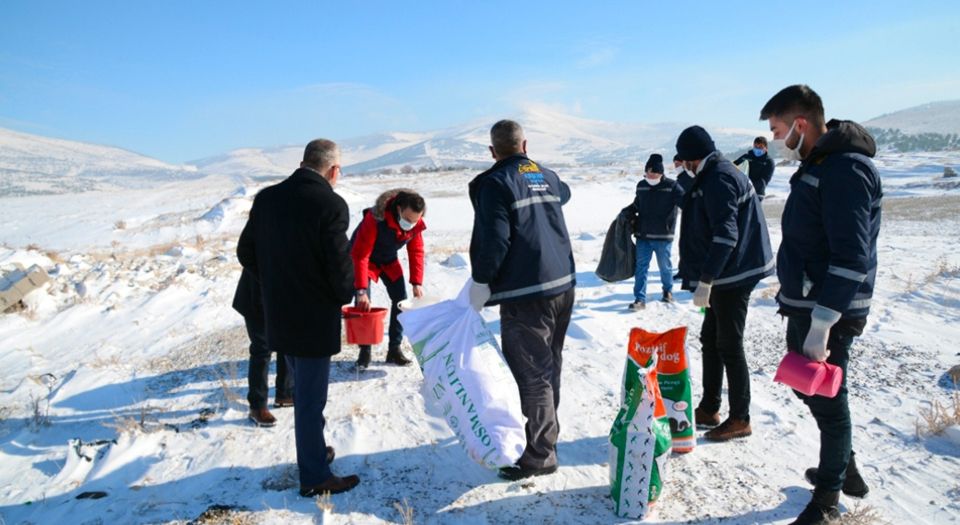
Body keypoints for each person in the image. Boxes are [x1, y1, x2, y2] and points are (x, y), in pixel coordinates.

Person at [760, 85, 881, 525]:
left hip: (831, 309)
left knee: (830, 399)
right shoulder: (820, 163)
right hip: (807, 303)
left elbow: (853, 254)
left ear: (801, 124)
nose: (776, 139)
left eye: (777, 129)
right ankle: (844, 467)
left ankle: (828, 499)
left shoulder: (845, 169)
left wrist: (823, 322)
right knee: (805, 384)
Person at [237, 139, 360, 496]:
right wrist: (342, 295)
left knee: (304, 393)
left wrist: (275, 283)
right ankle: (315, 476)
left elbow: (246, 251)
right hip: (313, 318)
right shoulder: (330, 204)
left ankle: (315, 453)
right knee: (309, 400)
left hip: (277, 312)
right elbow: (340, 267)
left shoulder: (267, 198)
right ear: (333, 170)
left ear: (303, 162)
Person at [468, 119, 576, 481]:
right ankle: (546, 439)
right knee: (548, 368)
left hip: (527, 292)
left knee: (533, 375)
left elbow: (496, 240)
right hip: (563, 285)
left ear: (493, 151)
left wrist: (482, 282)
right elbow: (565, 193)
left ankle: (541, 454)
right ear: (525, 145)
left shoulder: (494, 184)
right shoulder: (545, 174)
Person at [675, 125, 774, 442]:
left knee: (729, 343)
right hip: (726, 272)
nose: (682, 167)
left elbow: (725, 235)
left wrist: (706, 280)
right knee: (711, 338)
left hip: (735, 273)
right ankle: (709, 407)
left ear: (692, 158)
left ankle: (740, 418)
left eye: (683, 161)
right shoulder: (712, 173)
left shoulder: (718, 178)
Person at [350, 188, 426, 369]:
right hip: (364, 259)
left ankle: (394, 349)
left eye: (415, 221)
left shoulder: (415, 222)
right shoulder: (376, 219)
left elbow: (416, 250)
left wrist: (417, 282)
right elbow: (361, 255)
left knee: (401, 301)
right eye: (407, 220)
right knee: (363, 304)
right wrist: (361, 290)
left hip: (388, 260)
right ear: (398, 208)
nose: (411, 224)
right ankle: (364, 351)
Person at [232, 268, 294, 427]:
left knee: (286, 341)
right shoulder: (259, 242)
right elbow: (245, 252)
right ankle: (257, 406)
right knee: (262, 348)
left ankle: (285, 394)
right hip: (256, 295)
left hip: (282, 294)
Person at [624, 153, 684, 310]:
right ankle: (639, 299)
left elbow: (685, 203)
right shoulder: (641, 185)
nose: (650, 177)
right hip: (643, 235)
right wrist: (627, 213)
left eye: (653, 174)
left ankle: (668, 291)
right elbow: (637, 205)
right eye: (647, 173)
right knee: (641, 267)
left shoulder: (672, 186)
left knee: (665, 267)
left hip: (663, 236)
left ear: (661, 173)